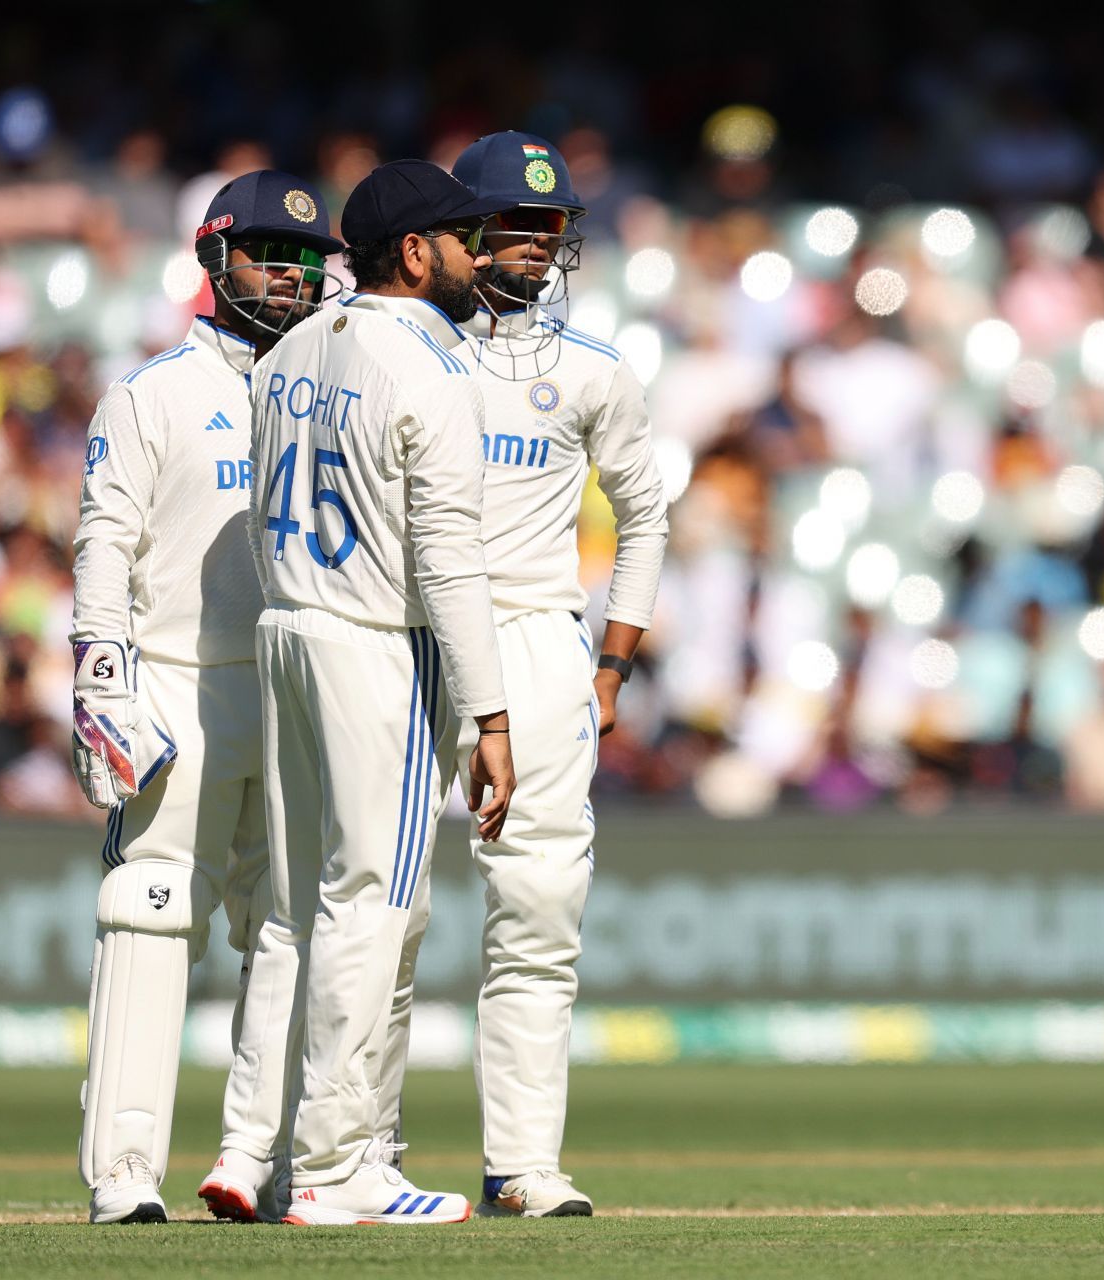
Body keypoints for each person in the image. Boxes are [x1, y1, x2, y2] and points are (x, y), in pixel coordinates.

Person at [242, 158, 516, 1226]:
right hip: (372, 643)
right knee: (373, 906)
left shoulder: (292, 345)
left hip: (285, 631)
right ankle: (334, 1163)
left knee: (312, 910)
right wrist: (491, 714)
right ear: (414, 252)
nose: (478, 256)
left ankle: (287, 1156)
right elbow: (448, 560)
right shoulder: (433, 372)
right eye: (460, 238)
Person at [69, 170, 339, 1224]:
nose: (292, 273)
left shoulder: (330, 388)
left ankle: (258, 1159)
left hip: (298, 681)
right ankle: (124, 1172)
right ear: (214, 258)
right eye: (270, 251)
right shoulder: (153, 393)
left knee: (291, 926)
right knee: (148, 911)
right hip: (178, 680)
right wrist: (104, 678)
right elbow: (105, 544)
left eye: (310, 257)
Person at [422, 129, 670, 1217]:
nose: (532, 246)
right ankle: (340, 1158)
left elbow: (647, 515)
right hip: (403, 637)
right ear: (456, 235)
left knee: (537, 913)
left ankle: (521, 1162)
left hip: (535, 638)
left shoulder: (593, 370)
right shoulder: (400, 352)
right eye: (511, 226)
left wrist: (613, 661)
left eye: (549, 227)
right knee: (361, 910)